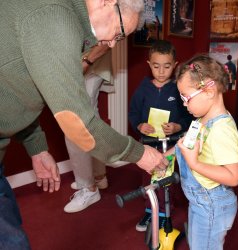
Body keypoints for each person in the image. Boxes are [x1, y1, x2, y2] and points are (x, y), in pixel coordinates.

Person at [0, 0, 169, 248]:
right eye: (119, 33)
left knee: (10, 218)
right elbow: (79, 124)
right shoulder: (54, 17)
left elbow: (21, 87)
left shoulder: (62, 17)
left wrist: (36, 146)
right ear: (106, 2)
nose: (112, 43)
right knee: (12, 242)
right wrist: (139, 153)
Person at [164, 54, 238, 249]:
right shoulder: (200, 120)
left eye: (186, 97)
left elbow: (234, 177)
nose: (183, 104)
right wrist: (167, 156)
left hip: (212, 205)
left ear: (209, 90)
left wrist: (195, 164)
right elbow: (185, 145)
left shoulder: (222, 129)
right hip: (199, 201)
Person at [128, 40, 193, 232]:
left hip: (170, 146)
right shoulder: (143, 88)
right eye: (156, 66)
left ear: (175, 65)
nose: (161, 71)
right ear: (149, 65)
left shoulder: (178, 89)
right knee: (148, 180)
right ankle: (150, 210)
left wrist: (177, 126)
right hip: (149, 145)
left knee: (167, 181)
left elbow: (188, 117)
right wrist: (139, 125)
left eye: (167, 66)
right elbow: (133, 113)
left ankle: (165, 213)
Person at [64, 44, 112, 213]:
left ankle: (89, 188)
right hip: (87, 61)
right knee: (91, 119)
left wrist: (87, 60)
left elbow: (107, 38)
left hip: (90, 61)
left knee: (74, 120)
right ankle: (98, 176)